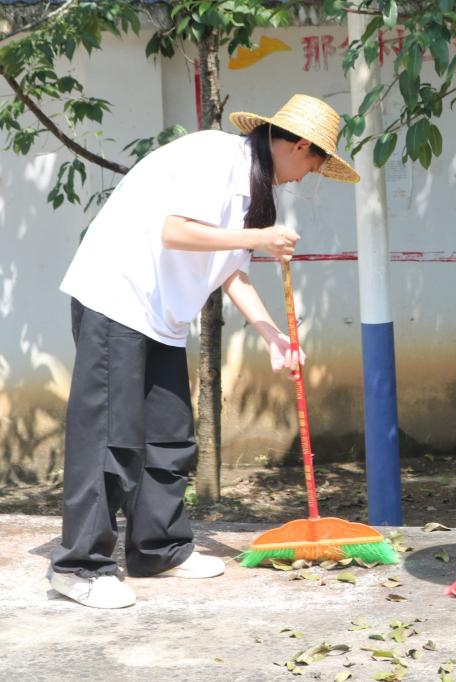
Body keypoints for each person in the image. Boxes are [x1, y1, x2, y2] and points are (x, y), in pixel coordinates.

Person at [49, 94, 359, 609]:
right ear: (299, 145)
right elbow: (175, 231)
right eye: (315, 162)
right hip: (117, 297)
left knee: (169, 436)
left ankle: (159, 549)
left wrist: (274, 337)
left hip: (162, 316)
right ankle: (79, 566)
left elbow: (231, 271)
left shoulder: (257, 192)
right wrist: (261, 236)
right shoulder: (213, 156)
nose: (310, 174)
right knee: (111, 437)